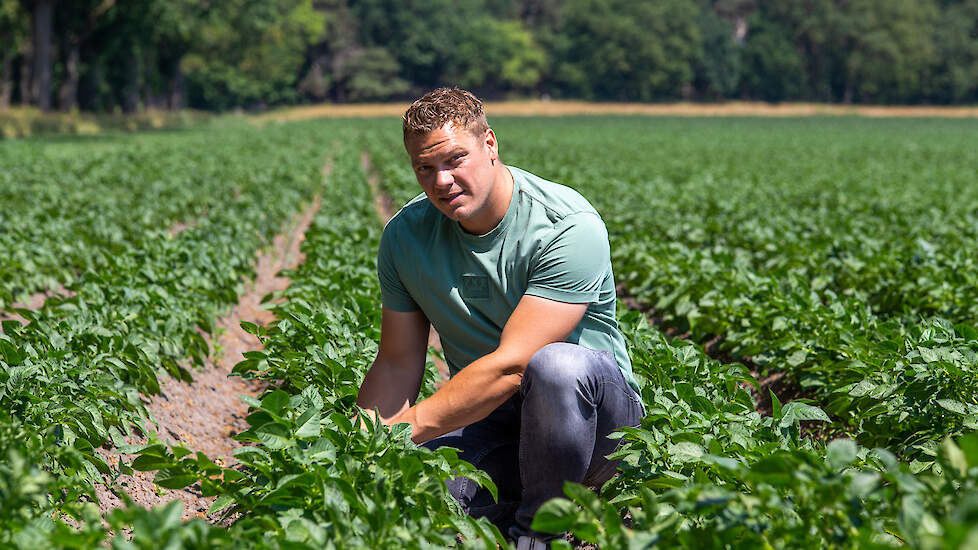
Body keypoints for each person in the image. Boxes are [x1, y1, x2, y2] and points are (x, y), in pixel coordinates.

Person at [355, 87, 643, 549]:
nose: (441, 181)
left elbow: (514, 366)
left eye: (454, 160)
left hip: (597, 429)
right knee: (413, 492)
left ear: (490, 144)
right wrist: (358, 448)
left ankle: (538, 534)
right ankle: (539, 509)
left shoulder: (566, 226)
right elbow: (396, 361)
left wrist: (408, 428)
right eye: (424, 169)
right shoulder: (405, 237)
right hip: (498, 424)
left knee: (556, 367)